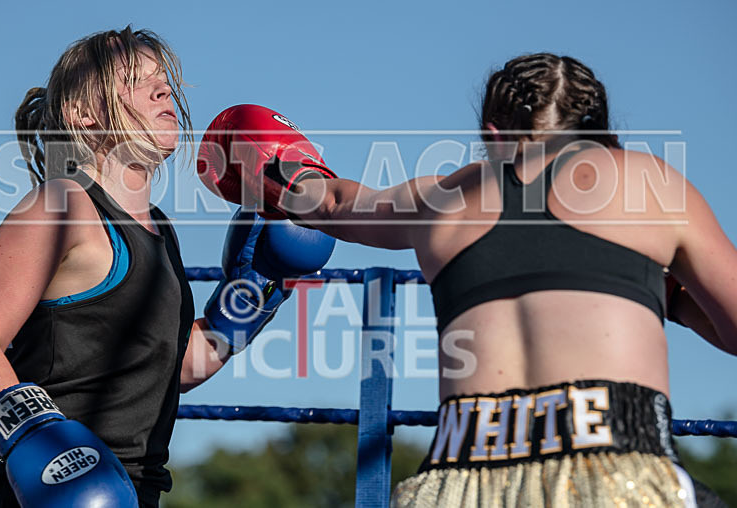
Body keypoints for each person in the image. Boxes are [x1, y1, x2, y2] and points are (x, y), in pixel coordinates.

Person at [198, 54, 737, 507]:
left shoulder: (443, 198)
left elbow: (334, 201)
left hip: (459, 475)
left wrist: (271, 166)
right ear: (602, 134)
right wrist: (668, 297)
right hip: (615, 462)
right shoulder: (651, 182)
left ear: (492, 135)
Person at [0, 27, 334, 507]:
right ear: (84, 114)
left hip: (136, 488)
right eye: (135, 79)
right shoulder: (60, 204)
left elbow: (169, 368)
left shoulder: (159, 229)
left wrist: (254, 291)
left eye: (164, 80)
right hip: (35, 489)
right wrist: (41, 443)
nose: (162, 89)